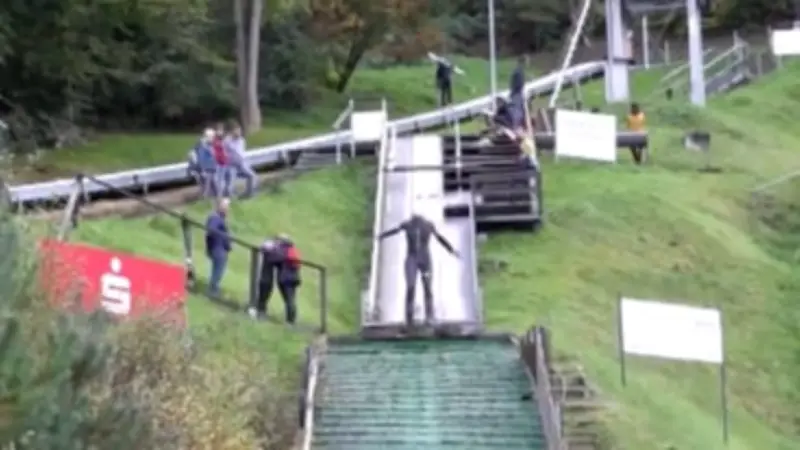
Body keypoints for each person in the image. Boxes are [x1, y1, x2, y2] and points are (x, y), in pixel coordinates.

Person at [376, 214, 459, 329]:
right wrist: (382, 236)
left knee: (427, 286)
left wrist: (451, 250)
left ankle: (429, 316)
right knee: (412, 285)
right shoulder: (408, 225)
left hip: (423, 259)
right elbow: (395, 230)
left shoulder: (427, 225)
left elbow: (439, 238)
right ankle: (409, 316)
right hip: (413, 259)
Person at [205, 198, 231, 297]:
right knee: (218, 271)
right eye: (225, 207)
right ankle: (213, 291)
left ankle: (213, 289)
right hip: (218, 249)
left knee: (217, 270)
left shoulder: (219, 218)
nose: (227, 209)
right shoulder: (216, 218)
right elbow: (211, 230)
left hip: (219, 248)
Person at [224, 122, 257, 198]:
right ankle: (229, 199)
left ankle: (249, 194)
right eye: (236, 131)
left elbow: (240, 152)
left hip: (241, 163)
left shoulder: (241, 140)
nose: (239, 132)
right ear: (232, 132)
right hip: (230, 165)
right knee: (230, 184)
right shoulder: (226, 141)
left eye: (239, 131)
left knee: (252, 176)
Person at [212, 123, 230, 197]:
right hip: (218, 162)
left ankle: (223, 194)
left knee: (222, 179)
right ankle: (220, 195)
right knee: (218, 179)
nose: (220, 132)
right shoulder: (215, 140)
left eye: (221, 130)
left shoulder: (224, 139)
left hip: (224, 162)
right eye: (218, 130)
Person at [509, 56, 527, 127]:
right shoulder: (519, 72)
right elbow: (518, 84)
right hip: (517, 94)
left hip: (515, 93)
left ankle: (517, 125)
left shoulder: (517, 71)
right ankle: (516, 126)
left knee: (518, 110)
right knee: (517, 111)